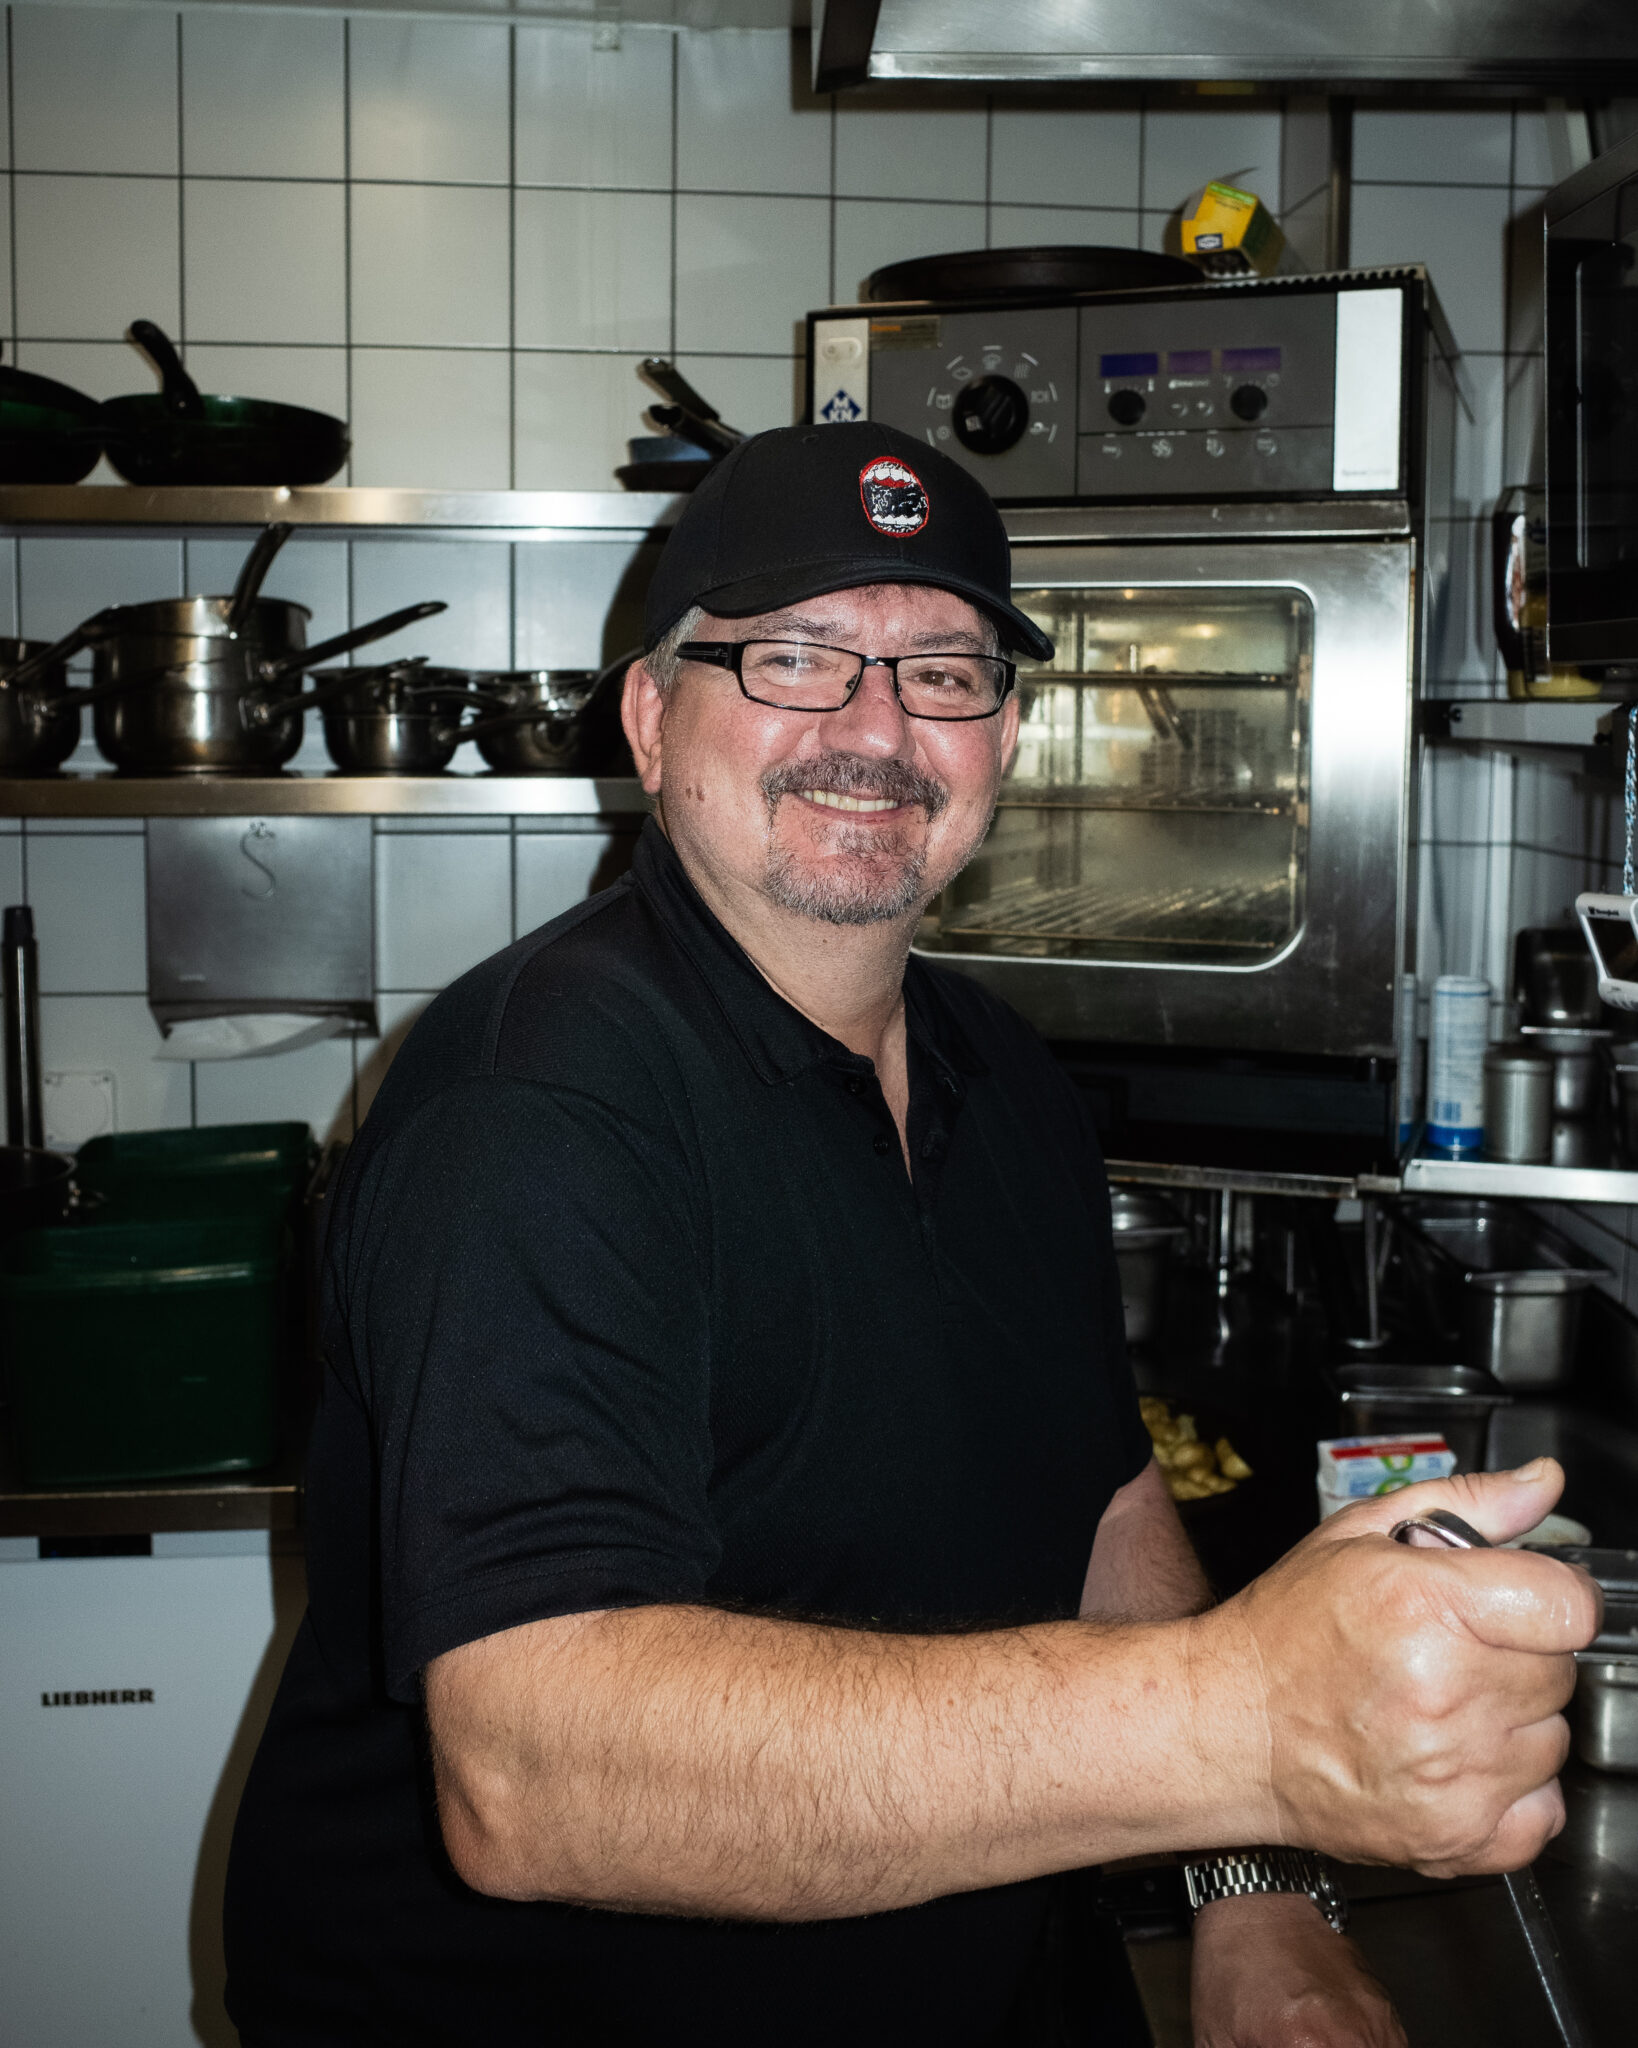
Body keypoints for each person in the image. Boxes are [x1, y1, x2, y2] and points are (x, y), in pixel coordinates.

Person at [224, 423, 1598, 2048]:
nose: (875, 730)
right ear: (655, 722)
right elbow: (536, 1771)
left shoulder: (998, 1077)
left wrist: (1249, 1894)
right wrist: (1248, 1726)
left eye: (944, 672)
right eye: (796, 659)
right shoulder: (537, 1107)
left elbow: (1096, 1499)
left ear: (1003, 740)